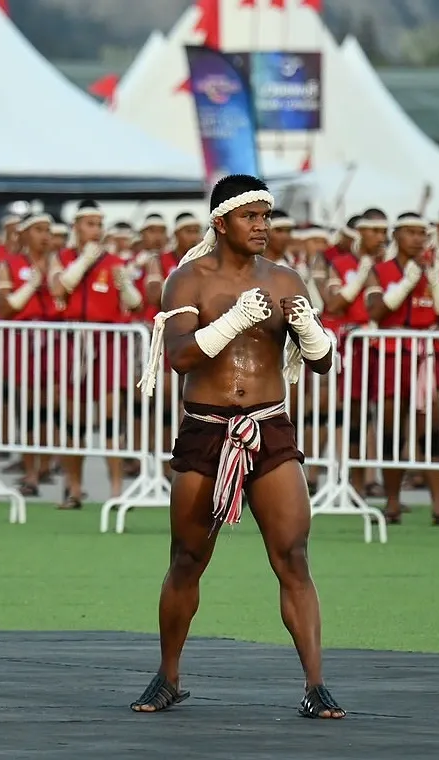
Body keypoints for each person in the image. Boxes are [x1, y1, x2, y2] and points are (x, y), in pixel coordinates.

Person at [133, 174, 344, 719]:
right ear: (220, 222)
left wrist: (313, 333)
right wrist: (231, 321)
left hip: (269, 427)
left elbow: (321, 365)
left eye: (265, 216)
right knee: (187, 557)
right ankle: (168, 676)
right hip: (206, 429)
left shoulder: (285, 279)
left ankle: (315, 684)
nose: (261, 226)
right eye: (250, 216)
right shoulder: (186, 281)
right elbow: (179, 356)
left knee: (293, 555)